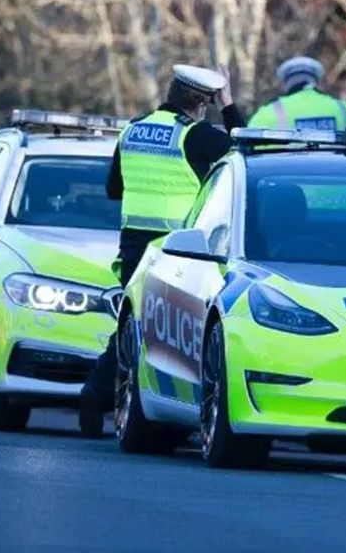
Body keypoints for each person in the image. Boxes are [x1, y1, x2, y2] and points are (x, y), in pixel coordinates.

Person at [79, 63, 246, 437]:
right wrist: (230, 105)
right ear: (202, 104)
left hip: (135, 246)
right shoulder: (195, 136)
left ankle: (102, 397)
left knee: (137, 326)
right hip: (176, 250)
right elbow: (245, 151)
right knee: (169, 333)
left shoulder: (133, 129)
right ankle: (104, 396)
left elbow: (113, 190)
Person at [246, 56, 346, 132]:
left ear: (286, 84)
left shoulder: (266, 114)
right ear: (316, 81)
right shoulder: (344, 110)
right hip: (337, 169)